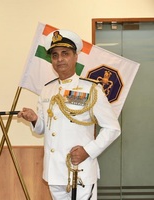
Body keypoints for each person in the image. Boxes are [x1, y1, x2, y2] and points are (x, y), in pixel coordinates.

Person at [17, 30, 121, 200]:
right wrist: (35, 119)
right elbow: (42, 129)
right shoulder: (47, 90)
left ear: (75, 57)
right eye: (55, 55)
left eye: (65, 54)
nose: (59, 59)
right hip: (54, 172)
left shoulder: (91, 89)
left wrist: (88, 151)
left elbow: (112, 128)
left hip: (80, 170)